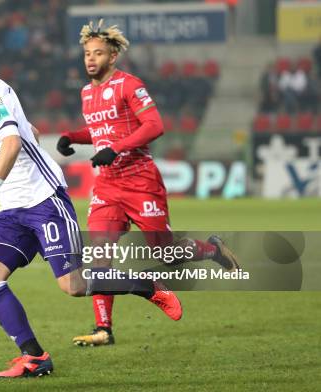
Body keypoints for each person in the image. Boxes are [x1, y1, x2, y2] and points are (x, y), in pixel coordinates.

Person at [0, 25, 182, 378]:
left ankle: (146, 287)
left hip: (43, 201)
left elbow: (12, 143)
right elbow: (27, 133)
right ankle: (34, 356)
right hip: (14, 209)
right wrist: (24, 134)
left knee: (73, 286)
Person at [56, 21, 240, 347]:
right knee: (99, 259)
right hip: (108, 187)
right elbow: (102, 132)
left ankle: (213, 248)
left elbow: (155, 125)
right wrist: (74, 137)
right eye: (87, 53)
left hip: (141, 182)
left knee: (166, 253)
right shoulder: (87, 92)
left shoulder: (129, 85)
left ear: (113, 56)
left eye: (98, 53)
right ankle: (103, 329)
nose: (90, 59)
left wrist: (117, 148)